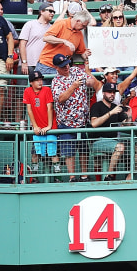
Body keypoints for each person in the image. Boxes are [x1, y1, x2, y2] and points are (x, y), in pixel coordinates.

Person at [51, 54, 91, 182]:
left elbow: (89, 80)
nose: (66, 67)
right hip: (66, 122)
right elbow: (61, 98)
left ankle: (84, 176)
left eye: (67, 63)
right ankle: (72, 177)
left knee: (84, 149)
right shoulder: (56, 81)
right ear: (56, 67)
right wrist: (73, 86)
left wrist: (88, 68)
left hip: (82, 120)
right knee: (68, 151)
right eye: (63, 66)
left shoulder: (76, 70)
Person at [23, 69, 60, 181]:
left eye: (40, 79)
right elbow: (29, 110)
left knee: (53, 153)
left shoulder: (47, 89)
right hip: (38, 128)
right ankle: (34, 177)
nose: (40, 82)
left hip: (50, 127)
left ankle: (58, 177)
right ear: (31, 82)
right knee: (35, 154)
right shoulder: (27, 91)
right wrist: (35, 126)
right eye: (36, 80)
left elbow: (50, 108)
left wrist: (49, 126)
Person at [88, 82, 129, 181]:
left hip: (112, 141)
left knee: (128, 150)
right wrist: (110, 113)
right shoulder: (97, 106)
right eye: (109, 92)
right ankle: (109, 176)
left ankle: (122, 178)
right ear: (103, 93)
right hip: (97, 141)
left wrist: (129, 116)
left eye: (114, 92)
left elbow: (126, 124)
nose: (112, 94)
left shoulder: (116, 106)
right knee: (120, 147)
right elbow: (94, 123)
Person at [38, 10, 92, 75]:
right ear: (78, 21)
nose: (84, 28)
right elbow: (46, 38)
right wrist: (64, 41)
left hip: (63, 68)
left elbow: (82, 52)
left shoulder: (79, 33)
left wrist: (87, 55)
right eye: (83, 26)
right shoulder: (61, 23)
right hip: (47, 65)